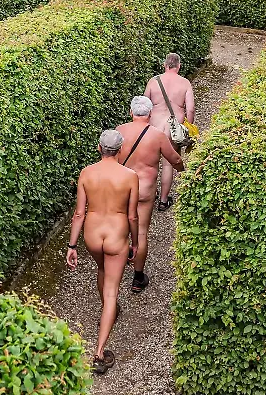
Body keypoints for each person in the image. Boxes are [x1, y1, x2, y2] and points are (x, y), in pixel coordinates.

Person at [66, 129, 139, 375]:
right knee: (111, 291)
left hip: (92, 235)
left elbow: (79, 213)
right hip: (117, 235)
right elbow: (132, 216)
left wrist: (72, 246)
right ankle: (99, 353)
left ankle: (108, 311)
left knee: (102, 268)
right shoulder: (130, 176)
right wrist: (135, 243)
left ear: (99, 148)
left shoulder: (86, 173)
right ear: (120, 150)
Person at [115, 96, 185, 292]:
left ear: (131, 112)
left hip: (122, 187)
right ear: (150, 114)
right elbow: (175, 159)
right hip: (144, 190)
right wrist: (184, 171)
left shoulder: (119, 131)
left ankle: (117, 266)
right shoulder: (157, 135)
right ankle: (138, 278)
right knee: (141, 232)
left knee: (121, 228)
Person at [144, 53, 195, 211]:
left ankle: (150, 194)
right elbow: (190, 109)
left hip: (154, 126)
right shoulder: (185, 83)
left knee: (151, 162)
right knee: (167, 164)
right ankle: (163, 201)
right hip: (173, 128)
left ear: (164, 65)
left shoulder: (153, 81)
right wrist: (187, 127)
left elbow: (145, 105)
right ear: (179, 66)